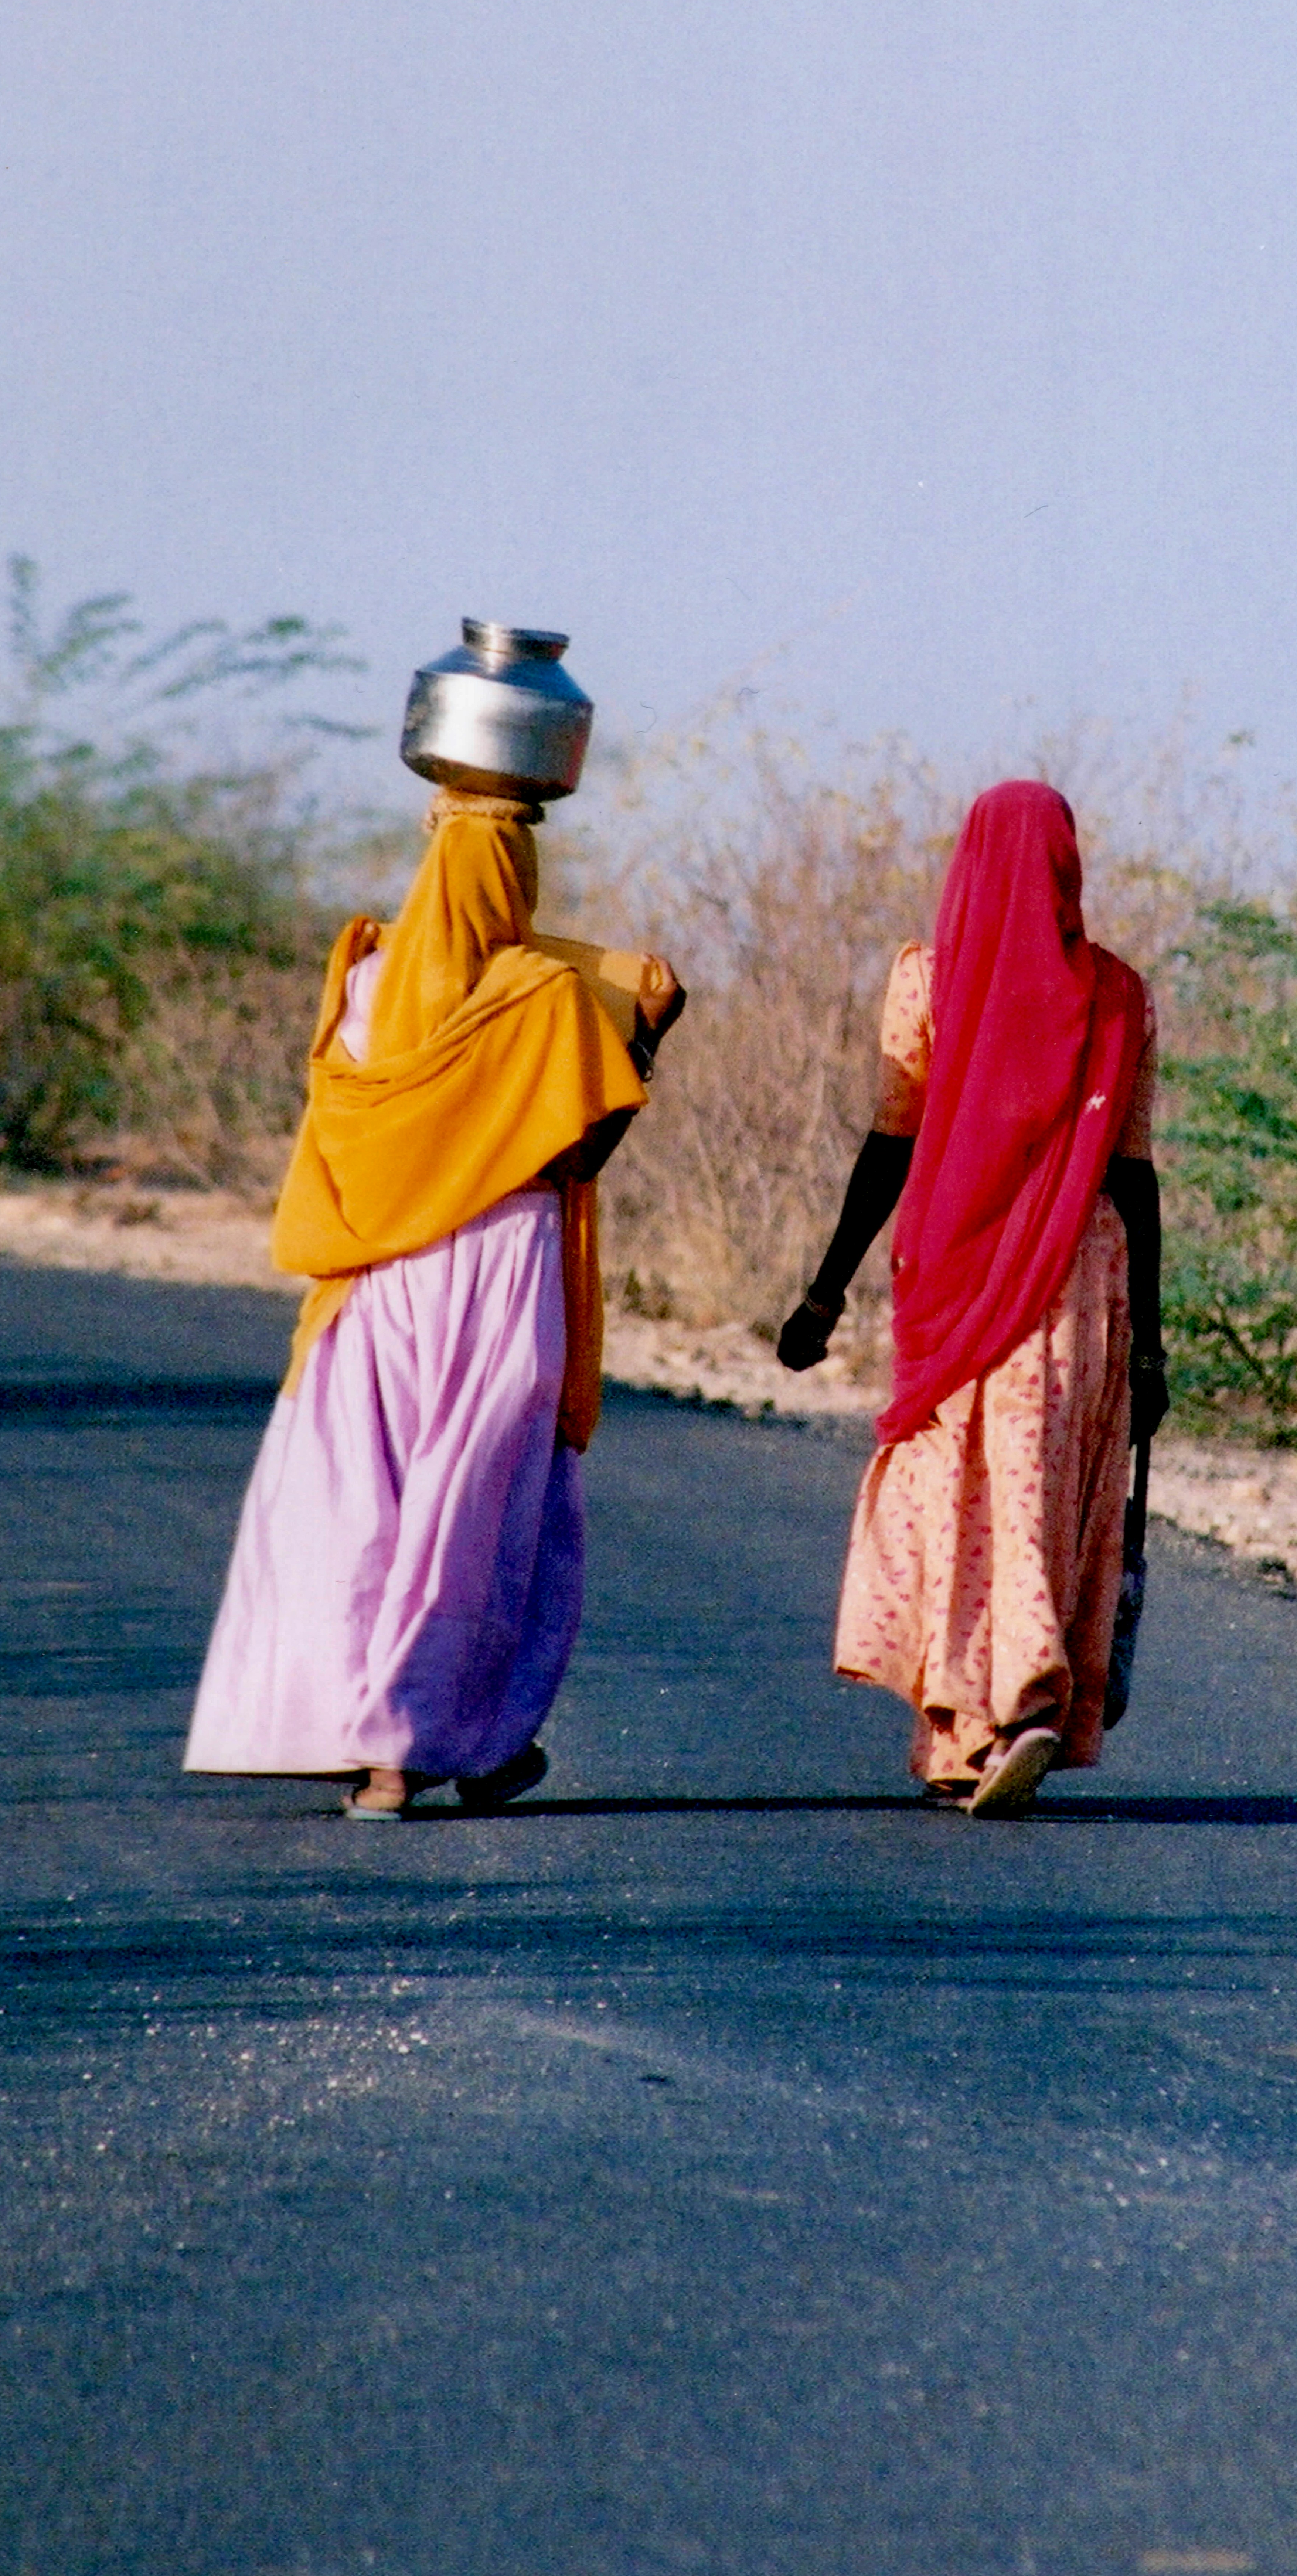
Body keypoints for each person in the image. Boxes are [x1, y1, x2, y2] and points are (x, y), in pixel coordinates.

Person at [184, 787, 682, 1817]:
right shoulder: (543, 996)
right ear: (515, 876)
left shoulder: (364, 981)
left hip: (381, 1279)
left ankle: (392, 1742)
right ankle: (417, 1746)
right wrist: (644, 1044)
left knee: (361, 1507)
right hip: (501, 1276)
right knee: (471, 1513)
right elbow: (580, 1150)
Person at [778, 779, 1167, 1816]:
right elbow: (1133, 1174)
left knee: (954, 1498)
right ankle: (963, 1736)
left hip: (957, 1270)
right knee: (1031, 1491)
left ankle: (1022, 1698)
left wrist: (826, 1290)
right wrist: (1154, 1343)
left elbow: (891, 1140)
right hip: (1083, 1279)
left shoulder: (929, 986)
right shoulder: (1119, 998)